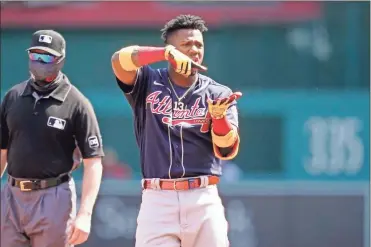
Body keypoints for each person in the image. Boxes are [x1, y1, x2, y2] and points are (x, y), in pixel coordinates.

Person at [111, 14, 242, 247]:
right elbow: (119, 61)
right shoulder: (147, 82)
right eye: (186, 44)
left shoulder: (217, 93)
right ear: (171, 49)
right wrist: (162, 54)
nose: (194, 49)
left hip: (203, 196)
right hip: (158, 199)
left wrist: (219, 119)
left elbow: (227, 150)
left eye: (199, 44)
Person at [0, 30, 104, 247]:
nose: (39, 62)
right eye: (35, 56)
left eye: (47, 57)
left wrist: (85, 214)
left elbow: (93, 162)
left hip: (54, 197)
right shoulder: (13, 96)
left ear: (60, 60)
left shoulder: (76, 102)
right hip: (12, 195)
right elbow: (2, 151)